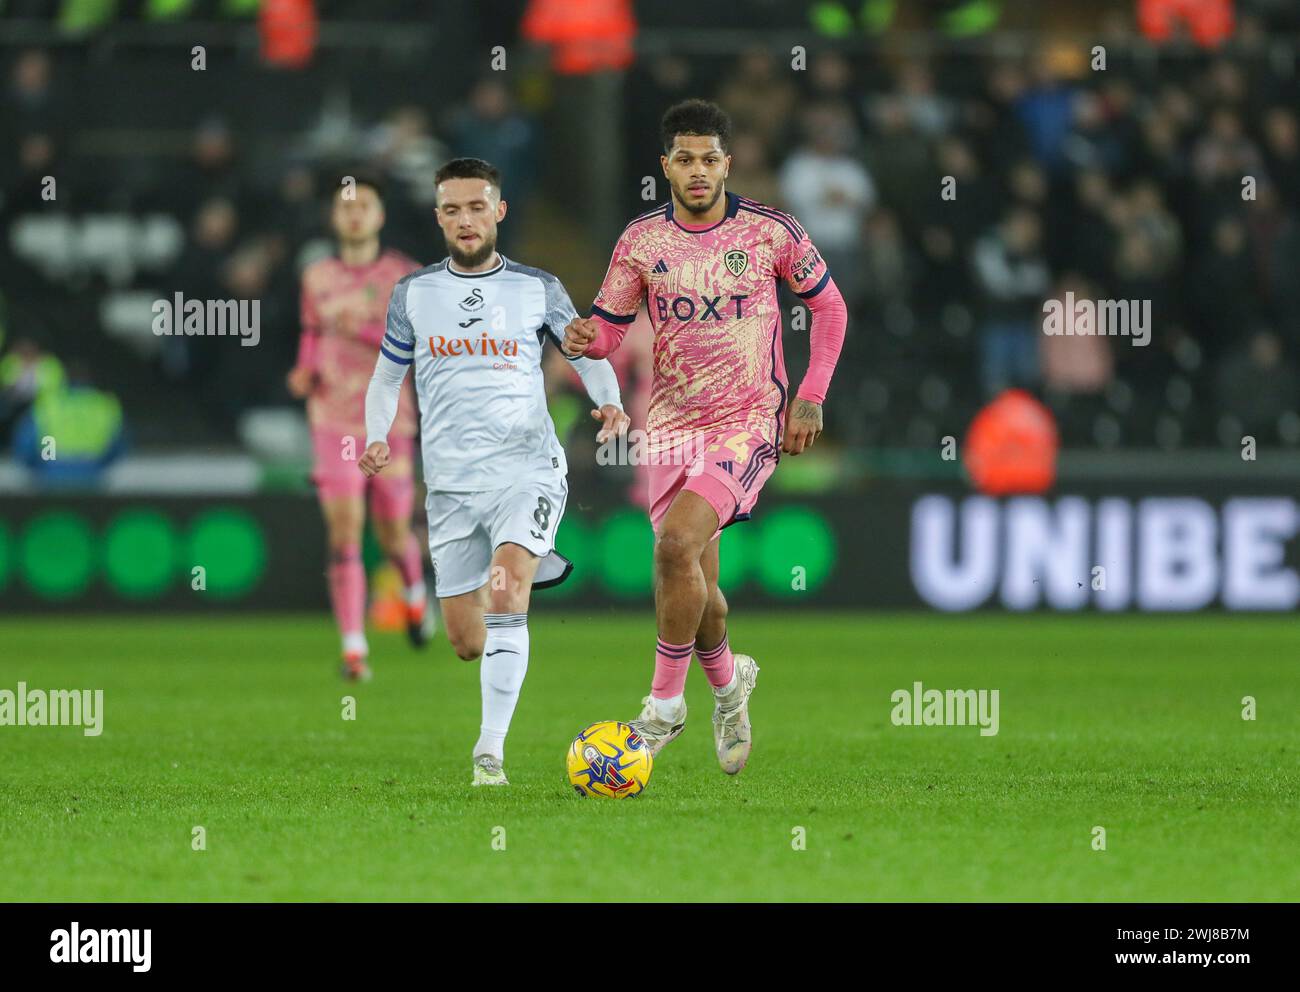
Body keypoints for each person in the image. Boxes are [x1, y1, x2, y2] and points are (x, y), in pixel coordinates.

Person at [562, 100, 848, 775]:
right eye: (684, 159)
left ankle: (663, 709)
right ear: (665, 166)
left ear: (728, 162)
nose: (697, 171)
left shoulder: (771, 232)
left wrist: (810, 398)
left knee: (673, 546)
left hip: (748, 422)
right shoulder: (640, 241)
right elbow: (608, 328)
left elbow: (828, 307)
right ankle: (728, 688)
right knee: (692, 582)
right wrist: (585, 338)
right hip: (668, 428)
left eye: (708, 159)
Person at [360, 158, 629, 786]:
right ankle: (526, 562)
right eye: (451, 209)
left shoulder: (537, 287)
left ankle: (490, 755)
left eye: (477, 206)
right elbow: (385, 376)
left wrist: (609, 399)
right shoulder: (414, 294)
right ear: (438, 217)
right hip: (451, 484)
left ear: (499, 211)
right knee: (466, 641)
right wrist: (375, 437)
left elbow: (583, 349)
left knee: (508, 594)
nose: (465, 219)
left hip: (526, 468)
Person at [287, 176, 426, 681]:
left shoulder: (405, 276)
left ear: (380, 215)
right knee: (344, 534)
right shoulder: (316, 276)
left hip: (388, 418)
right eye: (344, 204)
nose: (353, 213)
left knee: (392, 532)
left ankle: (414, 593)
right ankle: (353, 649)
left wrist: (363, 330)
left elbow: (416, 346)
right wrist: (305, 369)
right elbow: (310, 333)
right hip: (332, 417)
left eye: (363, 204)